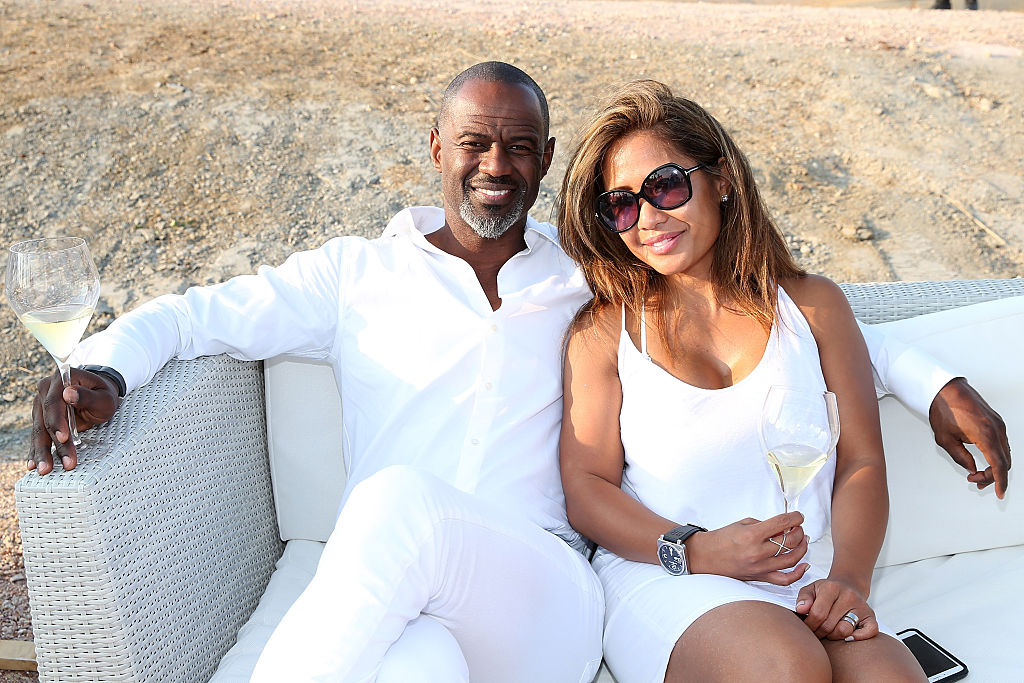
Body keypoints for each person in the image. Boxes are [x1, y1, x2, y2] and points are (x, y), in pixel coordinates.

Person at [26, 63, 1006, 680]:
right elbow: (198, 316)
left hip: (543, 601)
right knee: (410, 664)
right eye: (475, 142)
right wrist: (104, 363)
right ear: (436, 149)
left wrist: (931, 377)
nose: (495, 163)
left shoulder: (589, 276)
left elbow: (766, 312)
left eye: (521, 146)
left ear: (542, 164)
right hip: (412, 604)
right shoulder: (350, 275)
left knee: (399, 501)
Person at [556, 80, 928, 682]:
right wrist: (696, 549)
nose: (649, 218)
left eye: (666, 186)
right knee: (784, 666)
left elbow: (861, 461)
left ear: (722, 177)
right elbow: (587, 486)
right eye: (621, 204)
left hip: (807, 578)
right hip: (668, 574)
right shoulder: (604, 331)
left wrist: (849, 582)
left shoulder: (814, 308)